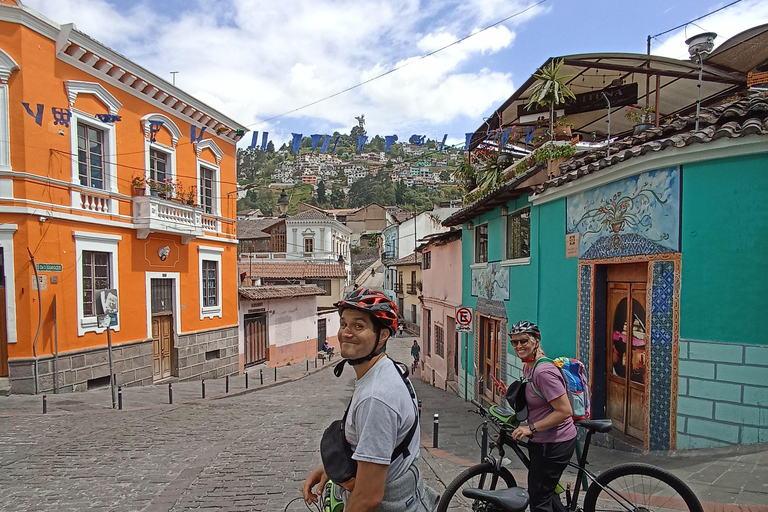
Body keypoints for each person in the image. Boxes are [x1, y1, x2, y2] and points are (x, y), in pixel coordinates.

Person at [302, 288, 439, 512]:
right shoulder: (388, 368)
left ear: (382, 335)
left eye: (358, 326)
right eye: (344, 324)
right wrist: (330, 470)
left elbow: (367, 498)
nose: (346, 333)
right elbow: (380, 447)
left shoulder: (376, 398)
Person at [508, 321, 577, 512]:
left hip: (553, 443)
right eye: (514, 342)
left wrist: (530, 428)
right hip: (543, 440)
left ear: (536, 341)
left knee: (538, 501)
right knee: (546, 492)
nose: (518, 346)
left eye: (523, 341)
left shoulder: (543, 371)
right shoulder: (529, 365)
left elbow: (564, 411)